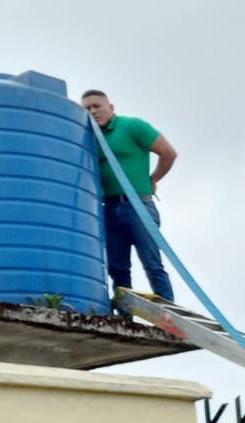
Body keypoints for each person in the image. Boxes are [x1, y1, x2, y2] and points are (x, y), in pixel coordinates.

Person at [81, 90, 177, 302]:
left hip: (138, 206)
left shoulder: (133, 126)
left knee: (152, 264)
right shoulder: (88, 138)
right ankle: (123, 315)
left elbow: (169, 153)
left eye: (97, 106)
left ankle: (168, 314)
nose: (93, 111)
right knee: (117, 269)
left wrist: (153, 179)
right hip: (108, 209)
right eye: (87, 108)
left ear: (111, 108)